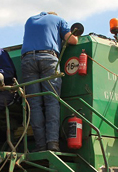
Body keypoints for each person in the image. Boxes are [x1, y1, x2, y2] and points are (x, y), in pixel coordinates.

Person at [20, 12, 78, 152]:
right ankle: (52, 143)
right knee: (51, 101)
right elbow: (72, 40)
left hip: (27, 60)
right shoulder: (58, 19)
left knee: (34, 104)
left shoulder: (30, 20)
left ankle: (40, 145)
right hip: (48, 58)